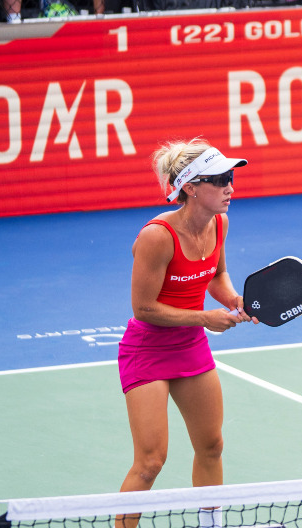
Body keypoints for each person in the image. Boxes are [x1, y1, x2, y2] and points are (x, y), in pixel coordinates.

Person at [116, 138, 254, 528]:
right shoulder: (157, 236)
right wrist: (205, 318)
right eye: (220, 180)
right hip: (147, 351)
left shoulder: (219, 223)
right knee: (150, 461)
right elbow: (143, 308)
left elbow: (217, 275)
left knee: (212, 446)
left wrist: (234, 300)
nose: (230, 187)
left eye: (231, 178)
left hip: (190, 346)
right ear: (190, 188)